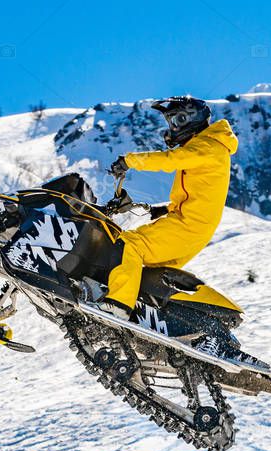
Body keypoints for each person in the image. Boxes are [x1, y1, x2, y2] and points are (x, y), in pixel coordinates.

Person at [98, 96, 238, 319]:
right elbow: (197, 196)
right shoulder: (208, 146)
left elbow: (170, 160)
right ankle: (151, 320)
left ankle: (118, 306)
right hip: (191, 226)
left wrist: (129, 161)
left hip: (187, 227)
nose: (173, 128)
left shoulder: (208, 146)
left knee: (129, 244)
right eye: (170, 121)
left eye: (178, 120)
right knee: (145, 274)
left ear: (194, 119)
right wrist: (159, 210)